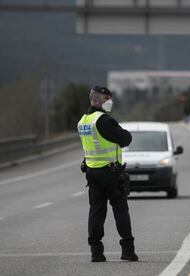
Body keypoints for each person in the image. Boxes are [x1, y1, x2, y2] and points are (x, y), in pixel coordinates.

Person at [77, 86, 138, 262]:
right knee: (120, 210)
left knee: (96, 212)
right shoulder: (103, 120)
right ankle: (128, 250)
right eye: (106, 98)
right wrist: (123, 132)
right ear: (96, 100)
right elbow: (126, 139)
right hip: (110, 173)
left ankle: (96, 252)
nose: (109, 101)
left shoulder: (83, 121)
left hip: (92, 172)